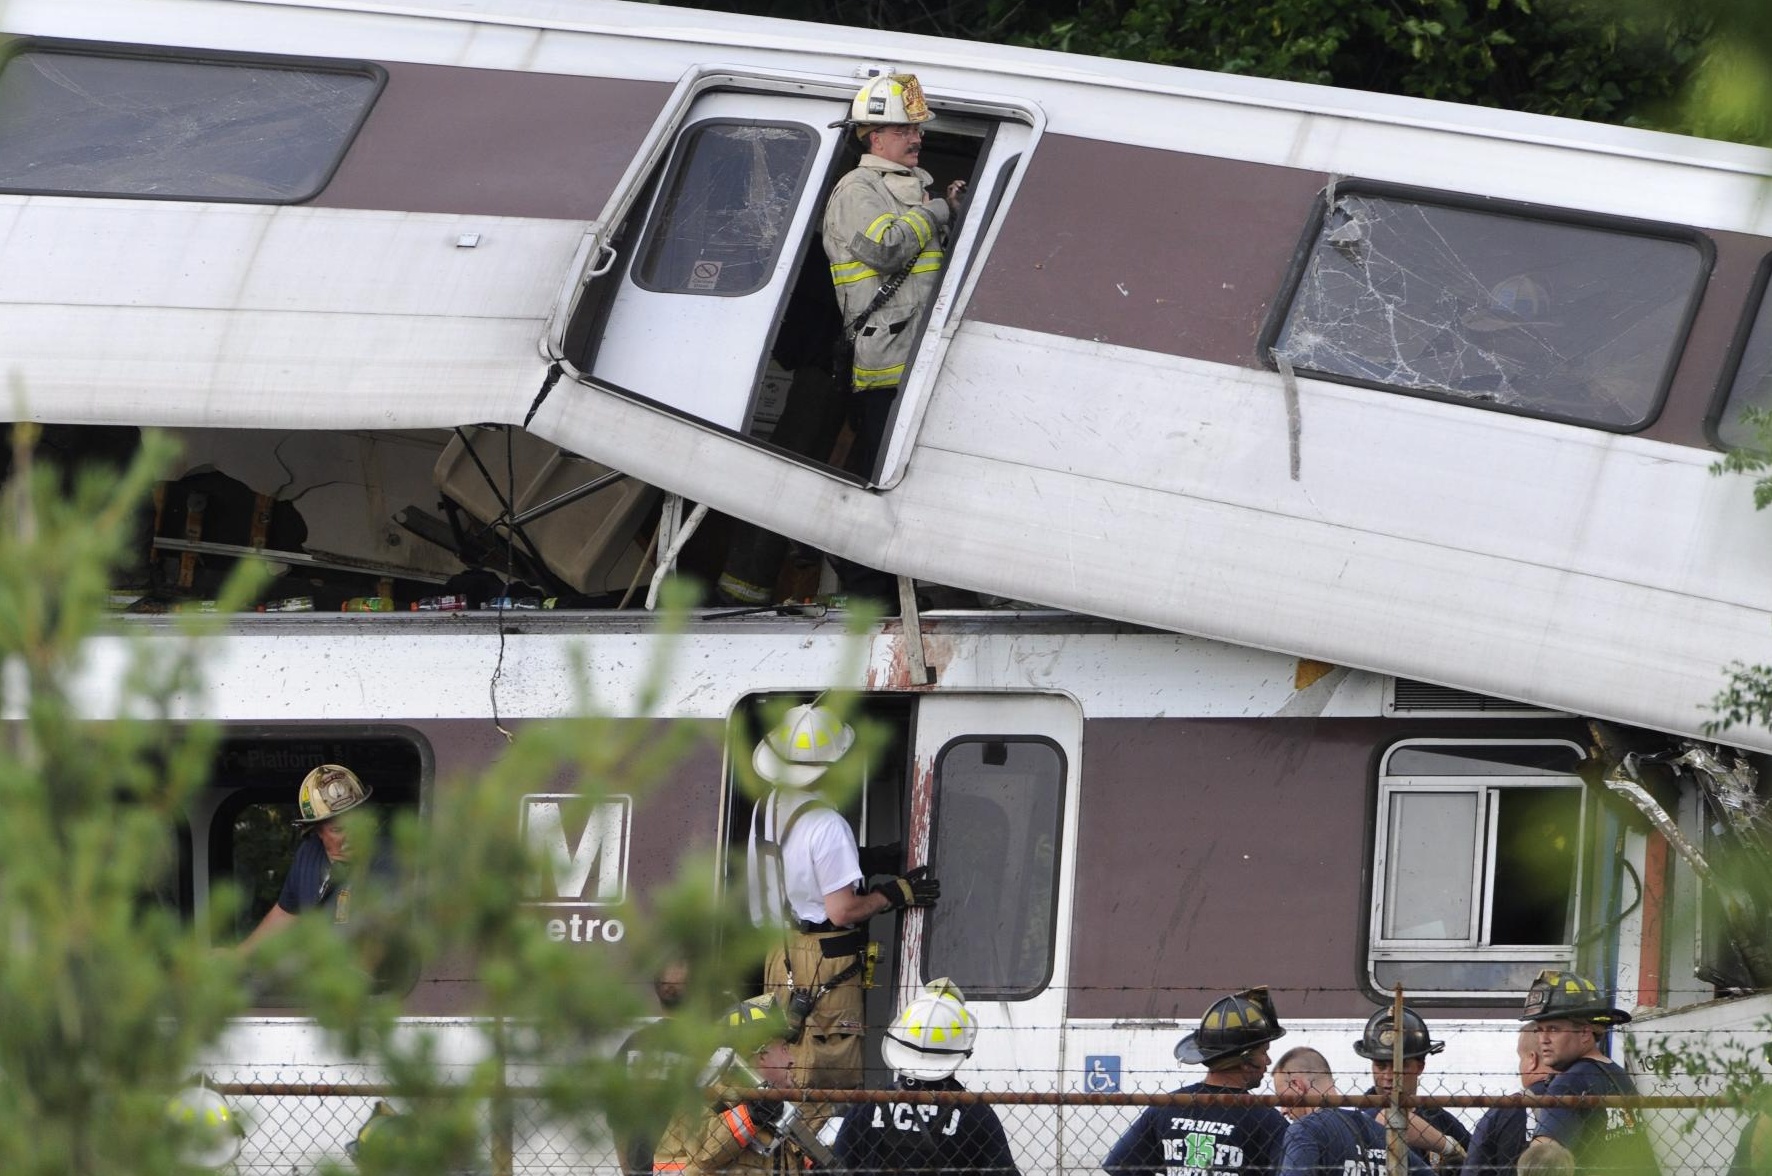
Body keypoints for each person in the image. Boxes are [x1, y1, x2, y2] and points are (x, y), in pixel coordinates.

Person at [746, 702, 939, 1089]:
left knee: (784, 1065)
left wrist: (866, 858)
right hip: (825, 963)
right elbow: (842, 910)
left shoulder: (765, 807)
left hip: (777, 954)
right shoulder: (828, 824)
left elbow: (797, 867)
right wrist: (894, 894)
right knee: (827, 1072)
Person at [822, 72, 966, 482]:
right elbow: (883, 250)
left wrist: (950, 213)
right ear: (874, 137)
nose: (917, 137)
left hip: (915, 353)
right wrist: (934, 211)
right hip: (886, 363)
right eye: (904, 129)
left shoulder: (911, 187)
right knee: (878, 470)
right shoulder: (857, 188)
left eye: (917, 128)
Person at [830, 979, 1019, 1176]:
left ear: (901, 1042)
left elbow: (838, 1167)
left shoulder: (866, 1109)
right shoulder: (976, 1115)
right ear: (962, 1052)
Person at [1103, 986, 1290, 1176]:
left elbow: (1121, 1166)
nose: (1268, 1061)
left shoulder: (1167, 1106)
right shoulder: (1267, 1121)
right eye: (1263, 1052)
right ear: (1245, 1061)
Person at [653, 995, 818, 1176]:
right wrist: (749, 1116)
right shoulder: (706, 1096)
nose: (792, 1060)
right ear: (761, 1052)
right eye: (784, 1048)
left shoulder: (773, 1109)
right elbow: (703, 1155)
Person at [1518, 969, 1660, 1176]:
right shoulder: (1615, 1074)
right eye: (1540, 1029)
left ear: (1585, 1032)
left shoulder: (1568, 1084)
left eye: (1554, 1029)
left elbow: (1542, 1161)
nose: (1543, 1039)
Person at [237, 763, 377, 953]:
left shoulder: (387, 857)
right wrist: (239, 956)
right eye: (338, 830)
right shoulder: (308, 853)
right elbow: (285, 913)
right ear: (318, 830)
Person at [1272, 1047, 1431, 1176]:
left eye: (1282, 1099)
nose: (1283, 1110)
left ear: (1297, 1085)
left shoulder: (1303, 1130)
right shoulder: (1377, 1131)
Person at [1353, 1006, 1470, 1169]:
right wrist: (1449, 1147)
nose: (1388, 1076)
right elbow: (1386, 1118)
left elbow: (1479, 1160)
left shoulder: (1438, 1118)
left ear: (1420, 1066)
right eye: (1381, 1066)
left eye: (1399, 1066)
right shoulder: (1359, 1120)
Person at [616, 961, 692, 1176]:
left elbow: (618, 1119)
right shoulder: (705, 1047)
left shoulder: (635, 1044)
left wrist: (627, 1170)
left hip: (641, 1166)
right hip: (688, 1166)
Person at [1461, 1028, 1550, 1176]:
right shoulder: (1582, 1101)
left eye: (1521, 1058)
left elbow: (1474, 1168)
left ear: (1532, 1059)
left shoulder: (1506, 1109)